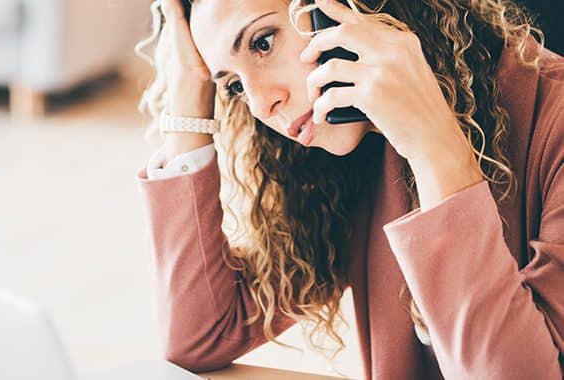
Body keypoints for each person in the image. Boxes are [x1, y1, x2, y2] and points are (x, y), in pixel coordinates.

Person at [133, 0, 564, 378]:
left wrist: (435, 147)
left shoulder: (554, 123)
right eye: (234, 86)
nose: (261, 104)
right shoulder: (343, 159)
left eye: (263, 43)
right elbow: (200, 335)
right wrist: (188, 90)